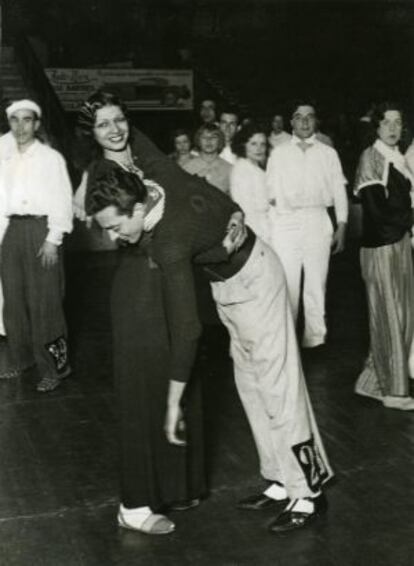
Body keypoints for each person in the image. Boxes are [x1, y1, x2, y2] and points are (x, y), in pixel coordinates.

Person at [77, 91, 334, 535]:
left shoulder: (163, 220)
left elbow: (189, 329)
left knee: (278, 384)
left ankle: (308, 492)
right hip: (227, 283)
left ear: (136, 208)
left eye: (118, 227)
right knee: (250, 382)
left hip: (256, 279)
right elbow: (204, 200)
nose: (118, 238)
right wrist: (225, 222)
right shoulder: (149, 177)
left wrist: (174, 399)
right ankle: (278, 480)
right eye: (102, 124)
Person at [0, 99, 73, 392]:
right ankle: (23, 359)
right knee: (14, 301)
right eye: (14, 120)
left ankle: (55, 368)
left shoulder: (50, 158)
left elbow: (62, 201)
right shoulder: (4, 156)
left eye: (27, 120)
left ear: (37, 124)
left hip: (42, 230)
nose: (20, 126)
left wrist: (53, 239)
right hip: (12, 230)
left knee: (46, 302)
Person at [266, 99, 348, 348]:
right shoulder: (279, 153)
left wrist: (342, 225)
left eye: (309, 116)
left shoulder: (328, 153)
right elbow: (269, 195)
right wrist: (272, 230)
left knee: (316, 282)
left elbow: (338, 190)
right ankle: (288, 339)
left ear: (316, 121)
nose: (304, 121)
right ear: (291, 122)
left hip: (317, 220)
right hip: (285, 223)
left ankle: (315, 338)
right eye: (298, 116)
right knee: (288, 283)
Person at [354, 102, 414, 411]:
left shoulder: (398, 159)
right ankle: (394, 391)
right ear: (376, 127)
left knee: (400, 316)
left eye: (397, 122)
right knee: (390, 318)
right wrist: (410, 218)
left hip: (398, 243)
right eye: (386, 123)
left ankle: (371, 382)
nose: (393, 128)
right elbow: (376, 211)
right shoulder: (371, 157)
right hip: (382, 247)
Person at [230, 123, 271, 244]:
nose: (259, 149)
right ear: (243, 145)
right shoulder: (242, 169)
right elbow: (246, 209)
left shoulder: (256, 168)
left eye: (262, 144)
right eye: (253, 144)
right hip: (256, 230)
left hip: (265, 226)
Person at [182, 123, 231, 194]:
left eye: (213, 137)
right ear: (198, 140)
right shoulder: (186, 169)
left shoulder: (229, 170)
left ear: (220, 140)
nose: (208, 140)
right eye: (204, 137)